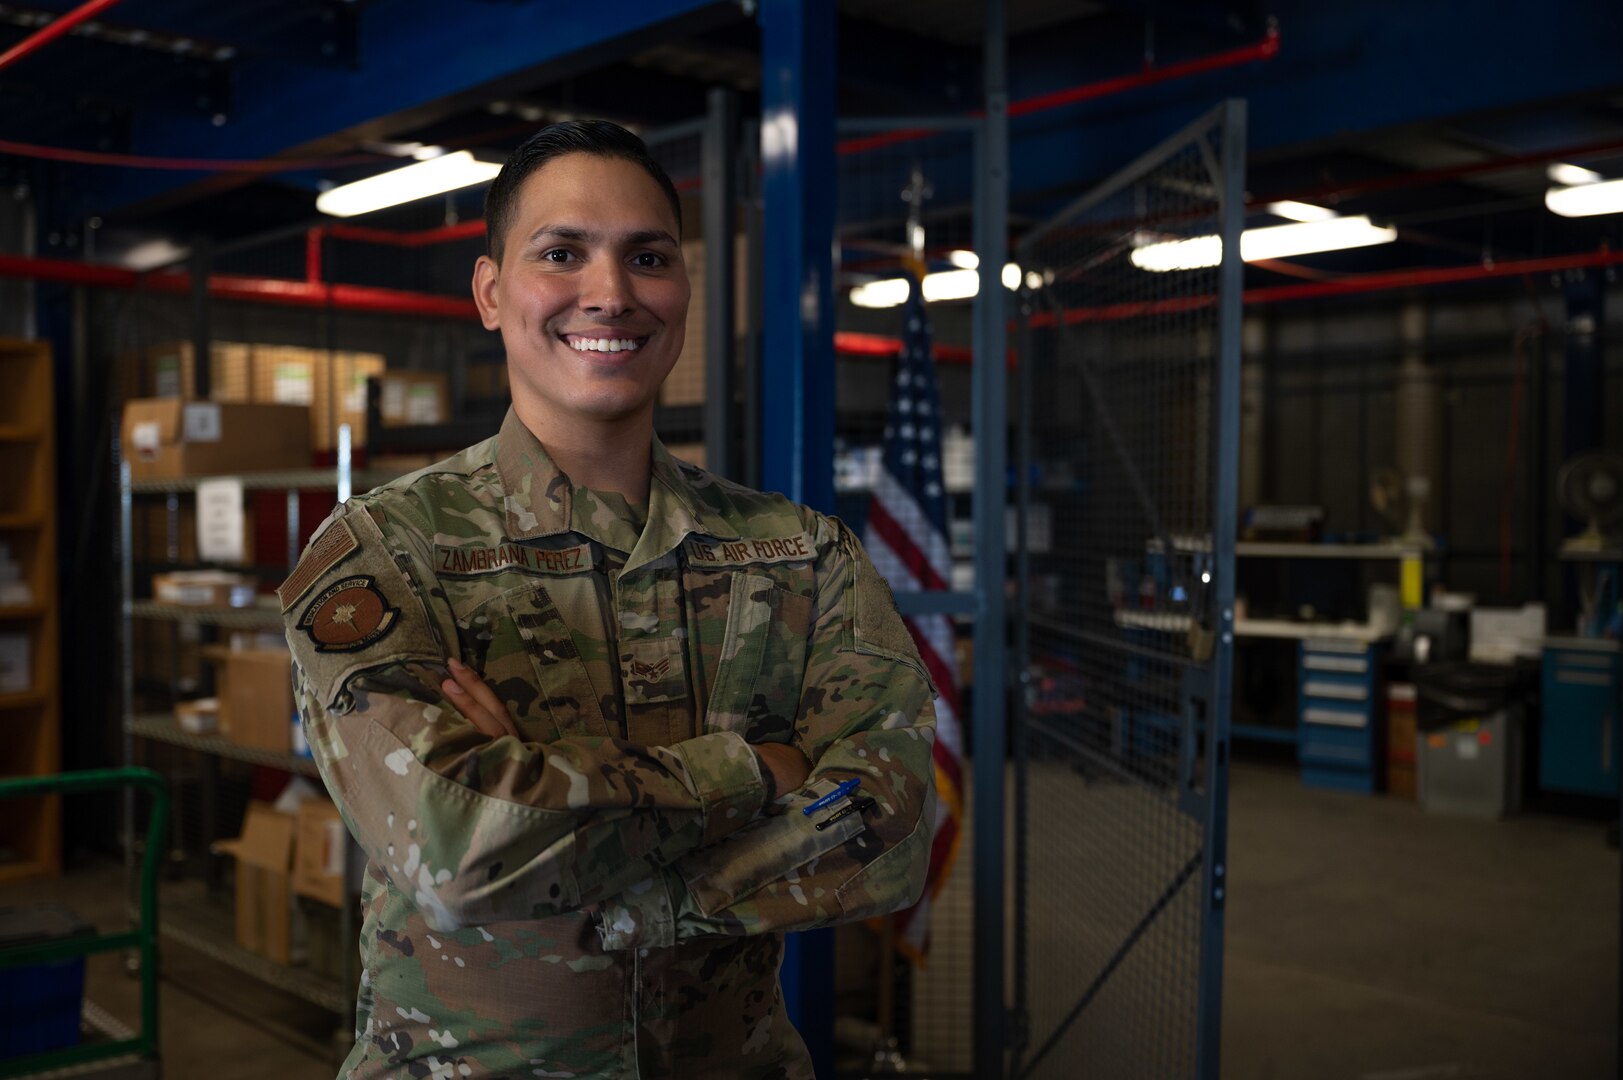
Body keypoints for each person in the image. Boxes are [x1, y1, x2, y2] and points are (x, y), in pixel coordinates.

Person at [279, 119, 939, 1079]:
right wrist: (758, 772)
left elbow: (893, 826)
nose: (612, 293)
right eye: (562, 253)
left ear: (682, 287)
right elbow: (460, 850)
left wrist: (556, 799)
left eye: (648, 256)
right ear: (491, 292)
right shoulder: (388, 554)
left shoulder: (797, 554)